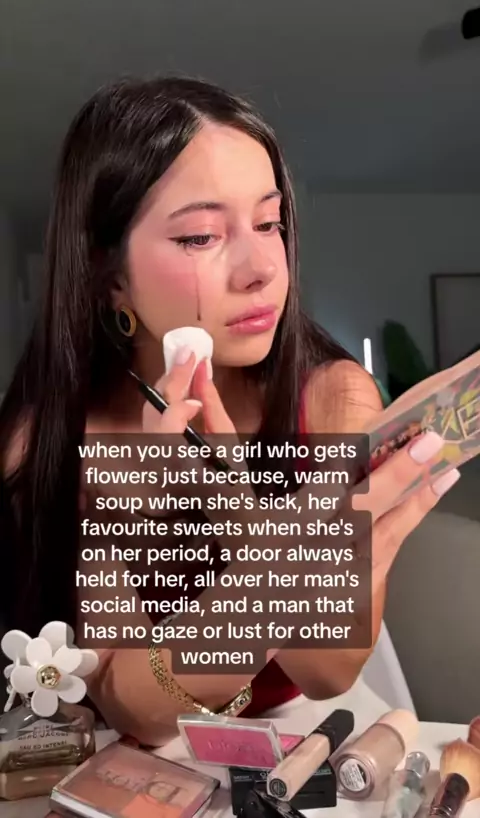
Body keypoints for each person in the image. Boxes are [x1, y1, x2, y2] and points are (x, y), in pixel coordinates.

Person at [0, 76, 459, 746]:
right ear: (110, 276)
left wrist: (232, 502)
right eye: (200, 236)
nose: (262, 268)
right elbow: (135, 710)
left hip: (307, 742)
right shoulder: (48, 439)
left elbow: (327, 671)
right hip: (137, 769)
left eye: (270, 224)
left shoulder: (334, 398)